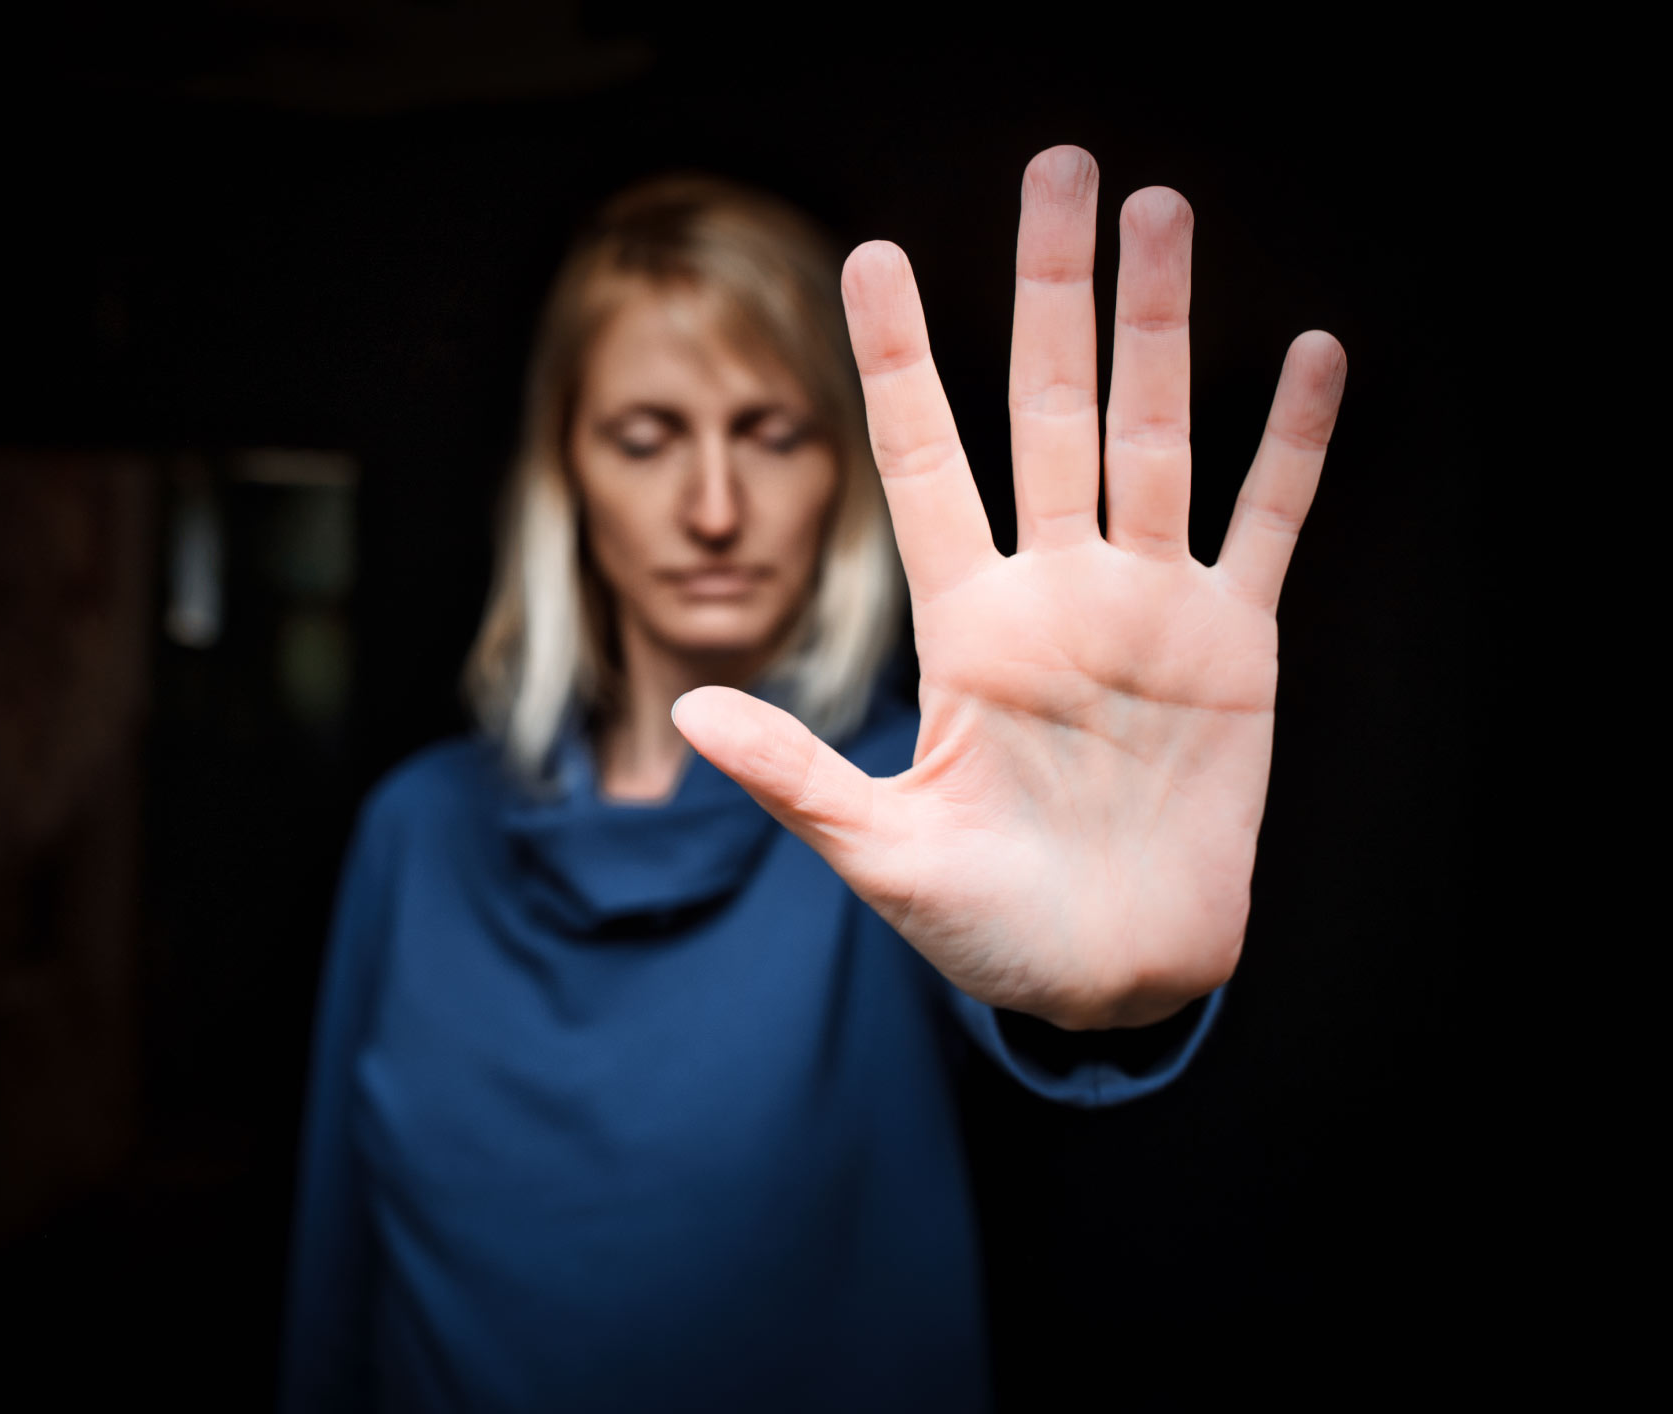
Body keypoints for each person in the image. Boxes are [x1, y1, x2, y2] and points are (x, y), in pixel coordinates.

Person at [280, 146, 1346, 1412]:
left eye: (771, 432)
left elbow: (1056, 984)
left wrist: (1118, 988)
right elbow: (334, 1279)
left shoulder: (923, 793)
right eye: (643, 436)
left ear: (841, 463)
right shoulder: (416, 833)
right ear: (562, 474)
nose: (714, 506)